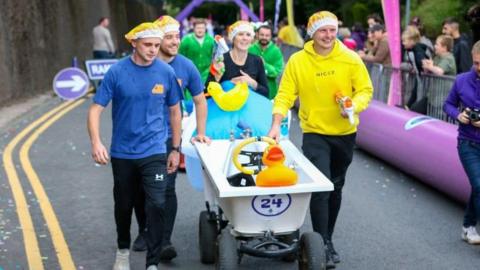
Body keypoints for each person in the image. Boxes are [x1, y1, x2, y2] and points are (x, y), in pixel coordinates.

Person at [267, 11, 373, 269]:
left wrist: (353, 106)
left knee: (336, 186)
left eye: (333, 30)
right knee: (321, 185)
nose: (328, 35)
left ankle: (327, 237)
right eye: (323, 30)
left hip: (345, 134)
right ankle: (321, 242)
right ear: (312, 33)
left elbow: (365, 90)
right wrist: (276, 124)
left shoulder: (350, 59)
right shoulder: (298, 61)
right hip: (314, 132)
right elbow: (284, 94)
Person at [87, 22, 182, 270]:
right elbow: (96, 110)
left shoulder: (165, 72)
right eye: (148, 45)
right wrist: (96, 142)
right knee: (124, 205)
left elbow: (174, 111)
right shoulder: (116, 72)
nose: (153, 50)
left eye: (156, 45)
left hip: (154, 150)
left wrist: (175, 148)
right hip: (123, 153)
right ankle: (122, 250)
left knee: (158, 203)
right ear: (134, 44)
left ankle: (152, 263)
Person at [130, 15, 210, 260]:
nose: (175, 41)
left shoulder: (186, 66)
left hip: (168, 136)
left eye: (177, 36)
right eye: (169, 37)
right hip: (139, 138)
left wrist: (200, 131)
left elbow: (199, 100)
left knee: (166, 188)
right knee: (140, 189)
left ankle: (164, 240)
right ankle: (145, 230)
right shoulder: (139, 64)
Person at [443, 40, 480, 246]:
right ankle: (469, 227)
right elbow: (447, 105)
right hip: (467, 143)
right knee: (479, 185)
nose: (479, 68)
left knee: (478, 188)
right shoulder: (461, 80)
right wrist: (458, 115)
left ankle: (468, 226)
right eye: (476, 63)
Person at [206, 20, 269, 98]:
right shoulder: (221, 60)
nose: (244, 38)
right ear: (233, 38)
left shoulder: (257, 61)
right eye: (240, 34)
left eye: (248, 35)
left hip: (250, 109)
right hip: (224, 108)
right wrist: (216, 78)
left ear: (252, 40)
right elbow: (206, 94)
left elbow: (266, 93)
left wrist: (252, 82)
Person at [248, 24, 284, 99]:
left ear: (271, 37)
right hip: (251, 91)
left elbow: (276, 72)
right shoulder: (250, 49)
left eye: (267, 35)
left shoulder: (276, 51)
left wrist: (264, 64)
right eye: (262, 35)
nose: (264, 37)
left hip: (270, 92)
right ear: (257, 35)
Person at [179, 18, 215, 83]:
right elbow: (180, 56)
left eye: (202, 28)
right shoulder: (186, 40)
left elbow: (215, 56)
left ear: (205, 29)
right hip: (190, 73)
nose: (200, 30)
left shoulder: (211, 40)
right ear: (194, 28)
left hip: (206, 74)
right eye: (198, 28)